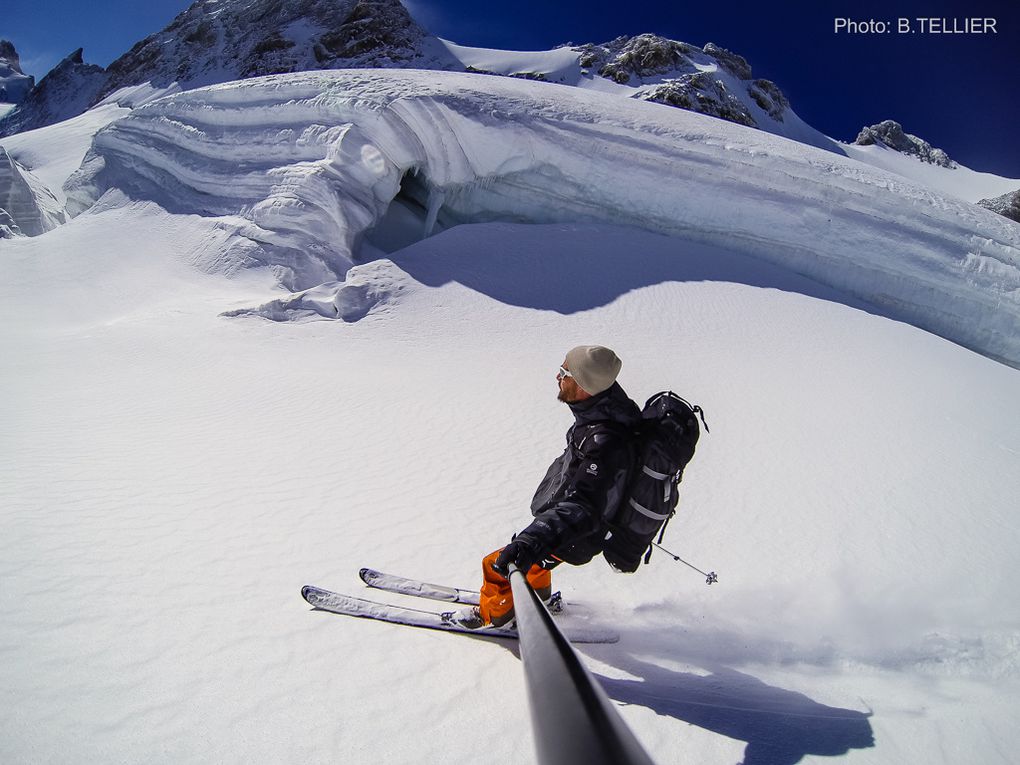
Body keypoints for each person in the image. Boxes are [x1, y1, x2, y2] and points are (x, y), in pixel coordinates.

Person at [453, 345, 640, 629]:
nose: (557, 375)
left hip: (577, 532)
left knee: (498, 565)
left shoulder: (605, 440)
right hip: (569, 524)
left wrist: (534, 537)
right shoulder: (604, 409)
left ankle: (495, 616)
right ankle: (537, 596)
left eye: (565, 372)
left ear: (584, 385)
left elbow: (585, 506)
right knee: (537, 558)